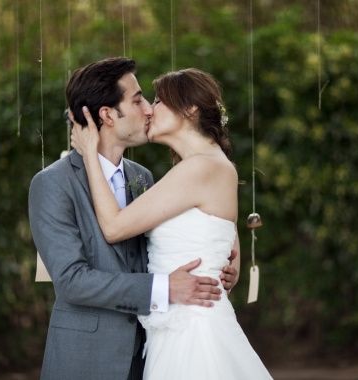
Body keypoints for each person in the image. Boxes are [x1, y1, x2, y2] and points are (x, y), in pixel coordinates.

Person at [28, 57, 239, 380]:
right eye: (138, 100)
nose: (149, 110)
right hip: (85, 360)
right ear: (108, 114)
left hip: (151, 352)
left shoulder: (143, 177)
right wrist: (164, 287)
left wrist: (225, 259)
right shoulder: (53, 183)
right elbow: (72, 281)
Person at [71, 68, 272, 379]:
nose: (150, 109)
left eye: (159, 101)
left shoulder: (201, 168)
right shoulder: (211, 166)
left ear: (189, 110)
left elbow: (113, 228)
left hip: (192, 335)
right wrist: (226, 265)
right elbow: (225, 236)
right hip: (179, 325)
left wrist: (88, 154)